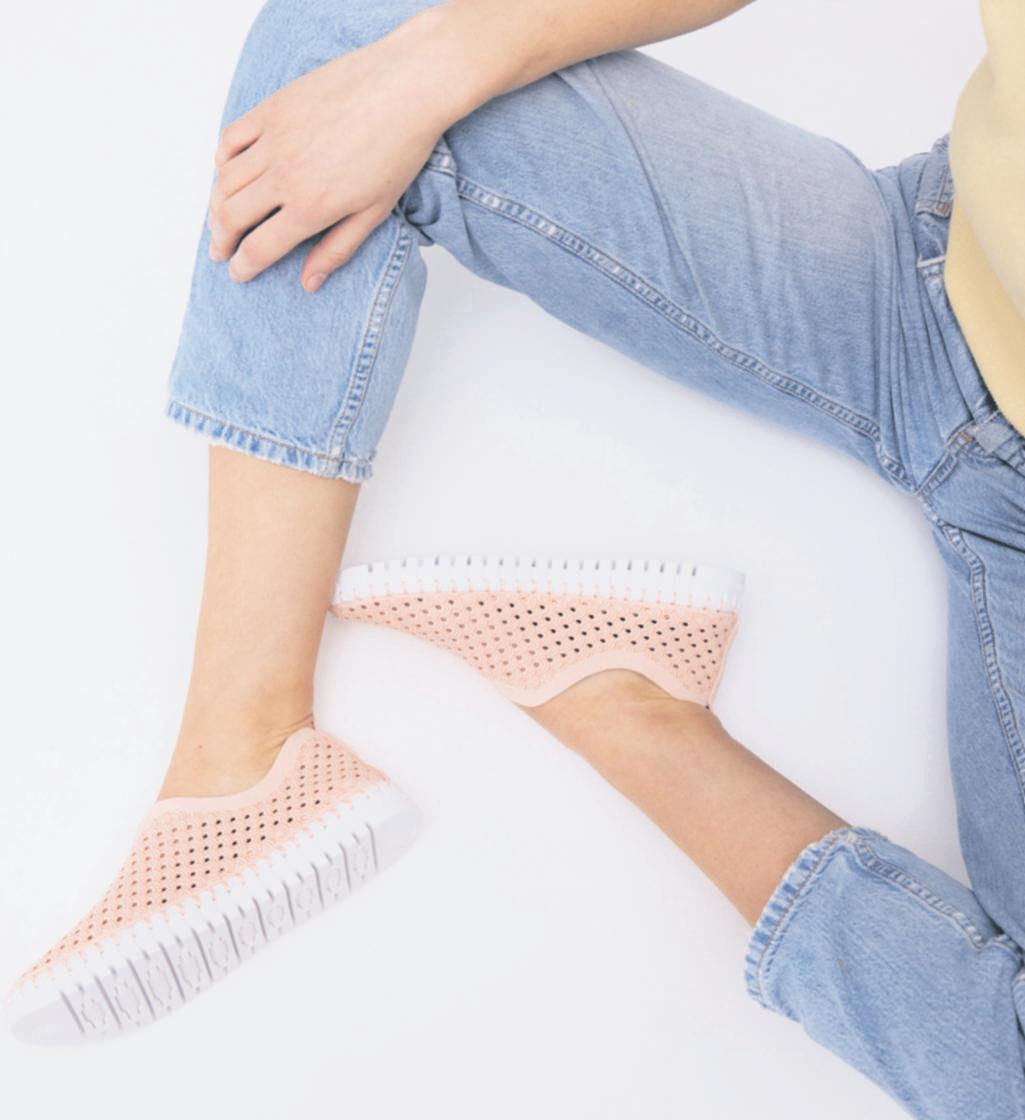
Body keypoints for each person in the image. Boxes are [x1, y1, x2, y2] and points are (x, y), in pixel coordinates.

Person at [7, 1, 1025, 1116]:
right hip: (927, 271)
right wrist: (439, 68)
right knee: (349, 46)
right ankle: (245, 758)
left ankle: (628, 704)